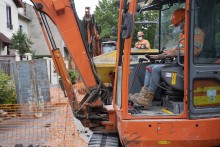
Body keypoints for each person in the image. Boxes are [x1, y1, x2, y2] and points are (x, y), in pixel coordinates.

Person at [130, 8, 205, 108]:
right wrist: (159, 56)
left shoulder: (197, 33)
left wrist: (174, 54)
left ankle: (148, 99)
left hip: (188, 67)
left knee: (156, 69)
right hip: (179, 63)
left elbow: (195, 51)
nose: (175, 27)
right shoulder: (183, 35)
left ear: (184, 20)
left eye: (176, 24)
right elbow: (175, 51)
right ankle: (143, 95)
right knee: (150, 67)